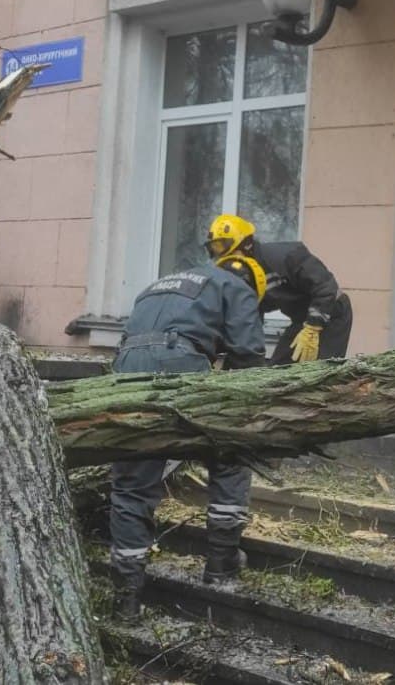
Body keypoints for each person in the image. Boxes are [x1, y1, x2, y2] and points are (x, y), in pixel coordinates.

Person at [108, 255, 267, 619]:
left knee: (132, 482)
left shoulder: (157, 284)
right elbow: (249, 358)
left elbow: (129, 341)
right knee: (230, 452)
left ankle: (127, 597)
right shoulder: (235, 285)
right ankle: (222, 564)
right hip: (178, 362)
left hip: (125, 369)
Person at [205, 214, 352, 365]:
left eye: (223, 246)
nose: (222, 256)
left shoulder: (286, 256)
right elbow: (250, 317)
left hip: (331, 312)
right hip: (301, 319)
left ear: (247, 243)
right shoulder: (247, 275)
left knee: (319, 371)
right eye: (215, 248)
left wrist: (313, 327)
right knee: (278, 369)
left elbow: (326, 287)